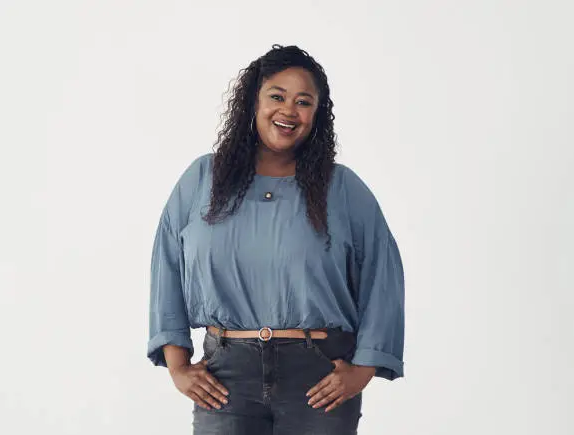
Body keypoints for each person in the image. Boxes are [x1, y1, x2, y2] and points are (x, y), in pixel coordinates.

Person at [147, 44, 405, 435]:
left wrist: (362, 370)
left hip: (319, 377)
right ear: (254, 101)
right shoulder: (204, 179)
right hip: (225, 377)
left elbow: (383, 277)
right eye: (277, 96)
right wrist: (178, 366)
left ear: (316, 116)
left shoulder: (342, 189)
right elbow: (166, 263)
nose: (289, 110)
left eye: (304, 102)